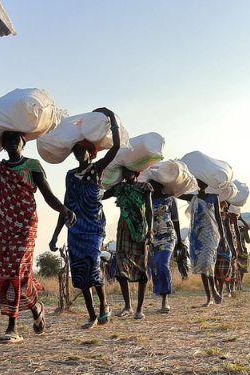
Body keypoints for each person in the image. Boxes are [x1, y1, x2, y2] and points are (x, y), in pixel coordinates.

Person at [0, 132, 75, 343]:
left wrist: (64, 210)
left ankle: (12, 327)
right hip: (4, 228)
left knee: (16, 270)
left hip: (25, 225)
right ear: (2, 145)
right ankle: (35, 307)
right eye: (7, 139)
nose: (12, 142)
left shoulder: (32, 165)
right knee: (9, 273)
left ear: (24, 142)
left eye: (16, 138)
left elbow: (48, 195)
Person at [49, 108, 122, 329]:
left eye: (83, 151)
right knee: (80, 274)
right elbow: (65, 206)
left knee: (93, 267)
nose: (79, 154)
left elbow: (116, 147)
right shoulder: (70, 176)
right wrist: (55, 236)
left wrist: (111, 117)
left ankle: (104, 306)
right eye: (76, 151)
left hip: (94, 227)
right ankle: (91, 315)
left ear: (91, 153)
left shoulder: (96, 170)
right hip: (75, 228)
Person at [103, 167, 153, 320]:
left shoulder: (144, 188)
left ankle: (139, 309)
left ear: (136, 172)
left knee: (142, 269)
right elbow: (103, 195)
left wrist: (150, 231)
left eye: (129, 172)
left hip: (140, 231)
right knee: (120, 269)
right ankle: (127, 306)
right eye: (123, 172)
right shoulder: (120, 188)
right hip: (124, 230)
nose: (126, 175)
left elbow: (149, 210)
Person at [180, 181, 226, 306]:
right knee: (202, 265)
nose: (202, 185)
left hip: (211, 234)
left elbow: (218, 217)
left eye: (203, 182)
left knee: (207, 262)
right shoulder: (193, 198)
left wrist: (223, 237)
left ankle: (215, 290)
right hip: (197, 235)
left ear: (207, 183)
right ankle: (208, 297)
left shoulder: (214, 197)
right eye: (199, 182)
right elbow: (177, 194)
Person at [147, 180, 184, 313]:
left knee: (162, 263)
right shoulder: (147, 199)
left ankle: (165, 299)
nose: (152, 187)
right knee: (155, 266)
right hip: (153, 238)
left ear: (161, 185)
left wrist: (179, 241)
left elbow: (176, 220)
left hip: (168, 236)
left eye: (154, 184)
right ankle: (161, 294)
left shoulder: (170, 199)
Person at [214, 201, 236, 298]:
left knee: (223, 270)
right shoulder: (211, 215)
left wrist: (232, 248)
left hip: (224, 245)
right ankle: (218, 290)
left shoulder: (225, 216)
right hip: (214, 244)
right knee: (215, 270)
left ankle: (222, 291)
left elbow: (229, 234)